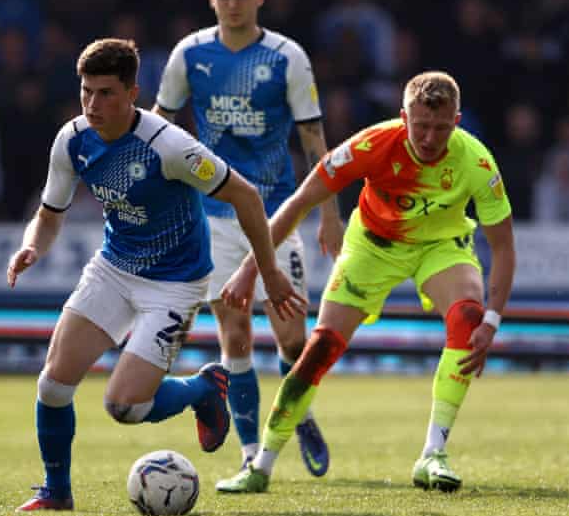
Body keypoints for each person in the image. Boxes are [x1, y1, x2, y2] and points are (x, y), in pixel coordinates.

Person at [9, 38, 304, 511]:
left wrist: (268, 271)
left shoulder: (168, 145)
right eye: (86, 92)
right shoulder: (73, 138)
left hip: (175, 282)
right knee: (53, 384)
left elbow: (247, 197)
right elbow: (49, 212)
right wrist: (31, 246)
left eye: (106, 93)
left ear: (132, 92)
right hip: (114, 268)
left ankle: (205, 387)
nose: (93, 104)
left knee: (124, 407)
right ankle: (56, 492)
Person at [216, 71, 517, 493]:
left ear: (457, 121)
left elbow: (503, 247)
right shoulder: (372, 143)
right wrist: (251, 270)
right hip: (372, 247)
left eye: (441, 128)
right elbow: (301, 200)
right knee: (319, 348)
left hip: (441, 247)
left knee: (467, 319)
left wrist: (492, 320)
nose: (430, 138)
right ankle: (261, 465)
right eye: (421, 126)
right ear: (403, 117)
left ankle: (433, 454)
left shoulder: (477, 163)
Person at [153, 0, 344, 479]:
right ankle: (250, 452)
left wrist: (329, 212)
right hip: (212, 216)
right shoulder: (189, 55)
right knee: (233, 334)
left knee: (290, 340)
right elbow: (159, 125)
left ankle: (296, 414)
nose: (233, 4)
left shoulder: (287, 57)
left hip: (276, 214)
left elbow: (311, 135)